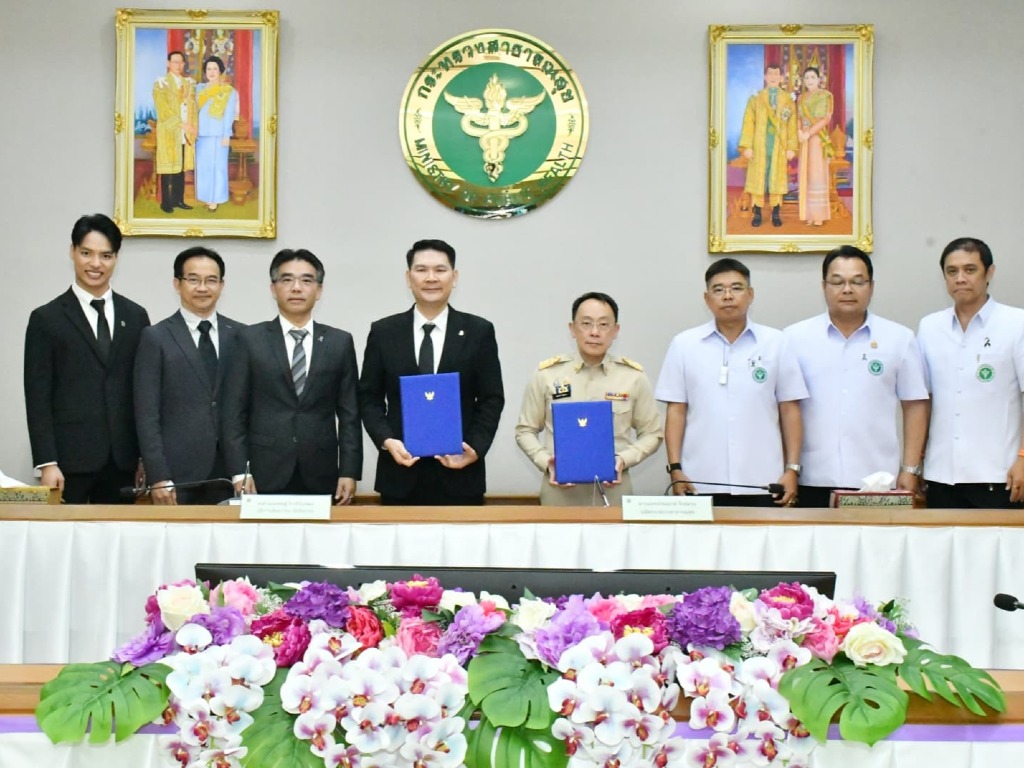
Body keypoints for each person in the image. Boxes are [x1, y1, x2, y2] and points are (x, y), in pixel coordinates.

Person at [358, 239, 504, 506]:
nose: (431, 278)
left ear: (454, 277)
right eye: (421, 270)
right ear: (408, 277)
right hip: (399, 474)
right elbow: (368, 398)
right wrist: (387, 440)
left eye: (440, 270)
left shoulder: (479, 331)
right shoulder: (384, 332)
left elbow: (491, 398)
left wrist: (474, 447)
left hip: (461, 475)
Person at [784, 246, 929, 508]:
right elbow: (785, 407)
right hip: (811, 478)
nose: (847, 289)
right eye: (837, 282)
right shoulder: (793, 339)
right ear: (824, 286)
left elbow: (915, 405)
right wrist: (789, 468)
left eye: (857, 282)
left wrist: (910, 468)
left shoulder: (899, 338)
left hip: (877, 479)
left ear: (871, 287)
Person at [655, 258, 807, 506]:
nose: (728, 296)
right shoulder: (684, 345)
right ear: (707, 299)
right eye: (718, 289)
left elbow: (790, 410)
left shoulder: (776, 343)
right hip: (699, 480)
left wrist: (792, 469)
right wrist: (675, 468)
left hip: (764, 481)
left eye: (736, 288)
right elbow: (676, 411)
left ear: (751, 294)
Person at [24, 214, 151, 503]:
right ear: (72, 252)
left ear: (116, 258)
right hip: (68, 463)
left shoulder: (136, 316)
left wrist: (144, 457)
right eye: (86, 253)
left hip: (123, 463)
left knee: (119, 532)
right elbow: (37, 397)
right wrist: (47, 462)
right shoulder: (46, 319)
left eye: (106, 255)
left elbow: (142, 392)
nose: (96, 264)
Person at [221, 249, 361, 502]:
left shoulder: (339, 342)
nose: (297, 288)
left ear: (319, 290)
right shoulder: (249, 340)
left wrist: (349, 471)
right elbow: (233, 412)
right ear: (273, 289)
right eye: (287, 280)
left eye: (307, 280)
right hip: (262, 472)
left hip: (321, 471)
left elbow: (349, 413)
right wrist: (239, 470)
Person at [515, 292, 662, 505]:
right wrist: (546, 462)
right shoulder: (547, 375)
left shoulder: (633, 377)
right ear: (572, 329)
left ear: (616, 331)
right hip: (559, 493)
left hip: (614, 492)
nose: (594, 332)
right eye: (586, 323)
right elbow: (525, 430)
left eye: (603, 324)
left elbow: (652, 433)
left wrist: (623, 459)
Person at [917, 237, 1024, 509]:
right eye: (952, 271)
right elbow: (923, 401)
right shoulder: (930, 327)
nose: (960, 278)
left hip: (999, 475)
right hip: (940, 475)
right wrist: (916, 463)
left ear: (989, 273)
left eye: (970, 269)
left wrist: (1023, 457)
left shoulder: (1016, 324)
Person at [134, 247, 243, 505]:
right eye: (193, 279)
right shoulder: (156, 337)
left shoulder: (241, 336)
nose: (202, 288)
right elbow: (146, 414)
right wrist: (158, 475)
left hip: (229, 472)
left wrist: (243, 469)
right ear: (177, 283)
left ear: (222, 285)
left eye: (211, 280)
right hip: (176, 474)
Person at [738, 63, 798, 228]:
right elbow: (748, 123)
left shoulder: (788, 99)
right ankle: (757, 212)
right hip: (760, 145)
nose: (773, 77)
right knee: (759, 178)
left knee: (776, 179)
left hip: (779, 146)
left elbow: (792, 125)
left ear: (781, 78)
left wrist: (791, 147)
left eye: (776, 74)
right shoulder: (756, 98)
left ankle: (775, 212)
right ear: (765, 77)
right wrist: (747, 146)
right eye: (770, 74)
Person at [152, 50, 197, 214]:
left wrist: (192, 126)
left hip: (185, 134)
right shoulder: (161, 83)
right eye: (175, 62)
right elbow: (163, 109)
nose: (178, 65)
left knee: (181, 169)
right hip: (170, 131)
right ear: (168, 63)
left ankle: (179, 200)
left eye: (181, 62)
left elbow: (193, 107)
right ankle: (166, 202)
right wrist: (182, 125)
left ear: (184, 64)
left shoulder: (189, 84)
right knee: (168, 169)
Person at [194, 56, 238, 212]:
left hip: (219, 135)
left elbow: (229, 115)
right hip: (201, 134)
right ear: (205, 72)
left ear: (220, 71)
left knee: (217, 167)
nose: (211, 72)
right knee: (203, 167)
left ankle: (216, 198)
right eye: (208, 69)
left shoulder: (228, 91)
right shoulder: (199, 89)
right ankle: (206, 196)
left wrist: (226, 135)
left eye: (215, 69)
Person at [796, 66, 833, 227]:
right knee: (806, 174)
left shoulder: (826, 95)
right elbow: (799, 117)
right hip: (804, 138)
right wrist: (799, 131)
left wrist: (809, 133)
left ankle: (819, 215)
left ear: (819, 79)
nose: (809, 80)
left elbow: (825, 119)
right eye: (806, 78)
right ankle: (809, 214)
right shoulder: (801, 98)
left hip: (817, 137)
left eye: (812, 77)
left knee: (817, 174)